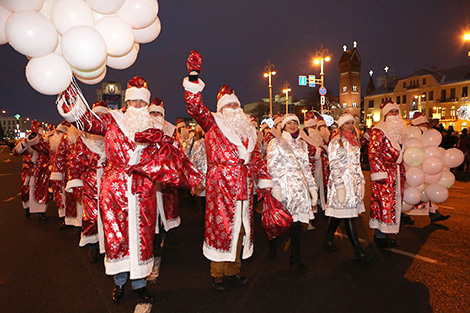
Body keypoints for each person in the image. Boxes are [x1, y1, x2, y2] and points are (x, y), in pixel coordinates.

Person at [57, 76, 164, 303]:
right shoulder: (112, 121)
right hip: (115, 189)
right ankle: (119, 284)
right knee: (117, 237)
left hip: (143, 188)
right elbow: (87, 122)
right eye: (133, 102)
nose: (137, 106)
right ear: (126, 103)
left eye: (141, 103)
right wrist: (67, 93)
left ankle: (139, 284)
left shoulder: (154, 127)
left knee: (141, 236)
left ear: (146, 105)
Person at [183, 50, 273, 291]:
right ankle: (217, 273)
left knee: (242, 227)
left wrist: (264, 183)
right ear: (221, 108)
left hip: (244, 186)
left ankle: (234, 270)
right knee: (221, 227)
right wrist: (193, 75)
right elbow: (194, 106)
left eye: (236, 104)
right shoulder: (212, 123)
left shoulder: (248, 131)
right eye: (229, 105)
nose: (233, 108)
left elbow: (256, 159)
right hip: (221, 185)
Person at [267, 113, 318, 270]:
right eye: (290, 123)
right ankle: (272, 246)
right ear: (284, 126)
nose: (293, 126)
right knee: (281, 222)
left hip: (299, 191)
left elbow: (306, 168)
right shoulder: (276, 143)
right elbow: (271, 166)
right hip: (285, 188)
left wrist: (312, 187)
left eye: (296, 123)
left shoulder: (302, 144)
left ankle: (295, 257)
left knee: (296, 226)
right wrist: (276, 187)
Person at [323, 113, 373, 262]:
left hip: (353, 183)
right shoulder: (336, 142)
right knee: (349, 216)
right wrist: (339, 186)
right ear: (341, 126)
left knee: (340, 214)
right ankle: (358, 250)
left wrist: (361, 181)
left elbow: (356, 164)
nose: (351, 125)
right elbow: (333, 165)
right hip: (342, 184)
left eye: (352, 122)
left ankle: (328, 237)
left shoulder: (354, 141)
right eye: (347, 123)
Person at [66, 101, 109, 263]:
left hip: (110, 184)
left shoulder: (112, 139)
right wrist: (76, 184)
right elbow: (75, 164)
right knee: (91, 216)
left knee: (110, 217)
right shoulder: (83, 141)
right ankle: (93, 245)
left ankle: (109, 247)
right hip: (90, 184)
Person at [369, 100, 406, 249]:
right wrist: (380, 174)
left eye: (396, 111)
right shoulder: (379, 131)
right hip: (384, 174)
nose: (394, 115)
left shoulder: (400, 132)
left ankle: (384, 234)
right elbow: (373, 154)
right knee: (382, 205)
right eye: (391, 112)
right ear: (385, 114)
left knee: (391, 205)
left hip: (396, 173)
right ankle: (380, 235)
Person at [406, 112, 450, 223]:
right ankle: (404, 214)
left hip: (427, 166)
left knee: (430, 190)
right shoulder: (414, 133)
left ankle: (434, 213)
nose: (425, 125)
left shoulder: (426, 133)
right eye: (424, 123)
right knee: (412, 193)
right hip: (415, 167)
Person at [12, 120, 50, 220]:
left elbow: (48, 151)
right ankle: (27, 208)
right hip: (28, 171)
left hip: (41, 171)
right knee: (26, 190)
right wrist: (23, 145)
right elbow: (15, 152)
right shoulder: (25, 141)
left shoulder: (44, 142)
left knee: (40, 191)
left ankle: (40, 213)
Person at [48, 121, 70, 224]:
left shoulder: (68, 143)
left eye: (61, 132)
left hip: (68, 172)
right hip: (57, 173)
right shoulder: (52, 144)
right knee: (60, 195)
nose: (59, 134)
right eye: (57, 132)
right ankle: (63, 217)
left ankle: (69, 218)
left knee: (69, 196)